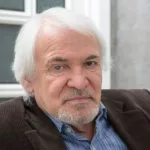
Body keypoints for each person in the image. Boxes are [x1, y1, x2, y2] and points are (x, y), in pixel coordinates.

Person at [0, 7, 150, 150]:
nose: (79, 83)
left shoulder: (144, 104)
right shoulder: (6, 131)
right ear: (28, 79)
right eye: (58, 67)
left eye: (90, 63)